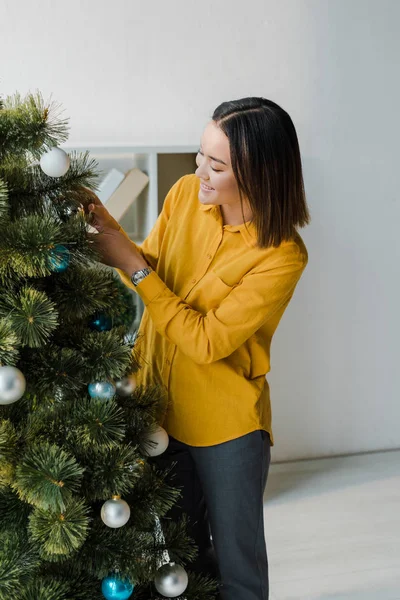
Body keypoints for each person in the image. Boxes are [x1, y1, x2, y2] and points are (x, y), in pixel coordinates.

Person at [84, 97, 310, 600]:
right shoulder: (187, 194)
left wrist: (132, 266)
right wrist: (109, 230)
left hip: (226, 427)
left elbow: (206, 341)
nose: (199, 170)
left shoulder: (282, 256)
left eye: (217, 164)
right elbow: (156, 269)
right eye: (200, 153)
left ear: (259, 174)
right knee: (186, 559)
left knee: (238, 567)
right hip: (159, 408)